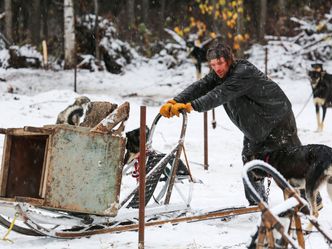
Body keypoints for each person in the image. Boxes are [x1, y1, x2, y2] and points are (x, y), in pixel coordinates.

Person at [159, 42, 302, 205]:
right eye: (213, 65)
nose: (217, 68)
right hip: (256, 125)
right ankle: (257, 204)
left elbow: (220, 94)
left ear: (229, 59)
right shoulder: (219, 75)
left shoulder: (242, 72)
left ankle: (310, 200)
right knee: (250, 160)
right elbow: (201, 86)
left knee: (291, 160)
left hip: (277, 118)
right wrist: (176, 100)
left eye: (220, 63)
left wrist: (191, 106)